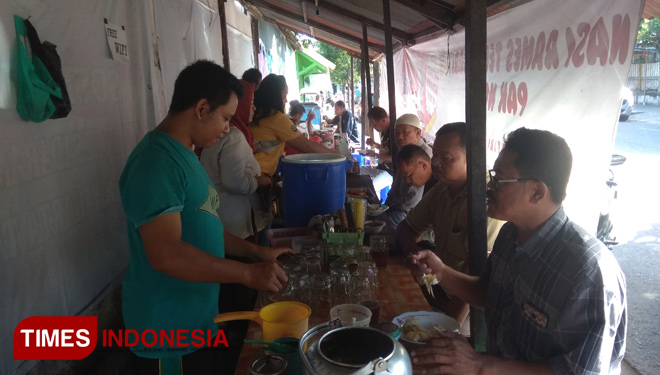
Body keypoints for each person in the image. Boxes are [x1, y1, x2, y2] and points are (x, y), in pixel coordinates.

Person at [410, 128, 627, 375]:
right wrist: (442, 273)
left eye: (499, 179)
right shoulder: (510, 235)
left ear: (537, 192)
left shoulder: (588, 271)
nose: (489, 186)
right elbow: (489, 293)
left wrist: (480, 365)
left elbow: (579, 371)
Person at [119, 60, 290, 373]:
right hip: (166, 334)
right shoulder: (156, 163)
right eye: (225, 118)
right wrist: (247, 274)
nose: (228, 127)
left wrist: (256, 252)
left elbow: (205, 224)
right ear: (201, 109)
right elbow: (166, 255)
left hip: (196, 321)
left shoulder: (187, 155)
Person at [397, 122, 503, 325]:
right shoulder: (441, 191)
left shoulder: (487, 200)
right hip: (440, 290)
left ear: (473, 157)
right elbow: (406, 229)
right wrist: (418, 260)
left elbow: (475, 273)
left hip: (471, 312)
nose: (435, 163)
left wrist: (448, 329)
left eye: (445, 158)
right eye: (435, 155)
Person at [199, 80, 271, 241]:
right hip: (236, 223)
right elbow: (235, 182)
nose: (254, 108)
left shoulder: (221, 133)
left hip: (221, 216)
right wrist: (260, 181)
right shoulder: (233, 136)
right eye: (250, 103)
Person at [251, 74, 338, 177]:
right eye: (284, 96)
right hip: (259, 176)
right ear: (274, 97)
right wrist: (339, 157)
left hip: (251, 173)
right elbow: (306, 145)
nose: (286, 100)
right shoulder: (276, 118)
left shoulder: (256, 114)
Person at [382, 113, 432, 230]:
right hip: (400, 206)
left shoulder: (424, 156)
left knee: (386, 222)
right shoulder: (403, 151)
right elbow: (396, 186)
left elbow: (411, 202)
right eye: (397, 132)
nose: (400, 137)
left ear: (418, 133)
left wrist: (390, 207)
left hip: (412, 213)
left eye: (405, 132)